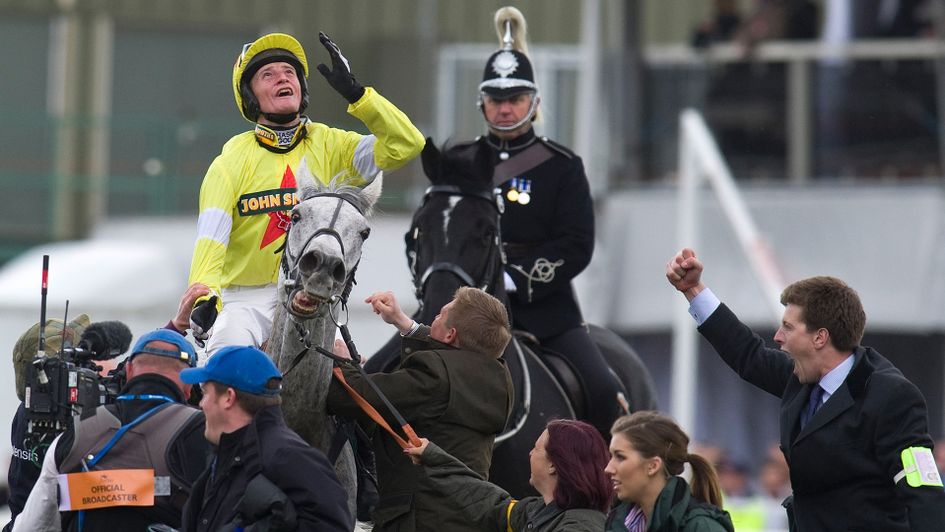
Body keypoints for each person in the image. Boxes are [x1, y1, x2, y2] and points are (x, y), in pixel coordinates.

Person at [437, 5, 623, 436]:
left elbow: (576, 244)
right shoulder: (459, 161)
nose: (505, 109)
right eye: (496, 100)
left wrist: (514, 279)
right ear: (482, 102)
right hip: (463, 303)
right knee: (388, 367)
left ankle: (607, 473)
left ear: (534, 102)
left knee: (602, 390)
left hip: (544, 310)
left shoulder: (562, 165)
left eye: (515, 99)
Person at [666, 247, 945, 531]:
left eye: (788, 327)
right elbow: (747, 354)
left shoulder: (891, 396)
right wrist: (693, 290)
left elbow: (922, 489)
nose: (778, 337)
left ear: (820, 337)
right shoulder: (801, 379)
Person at [188, 31, 424, 355]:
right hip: (244, 303)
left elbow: (407, 144)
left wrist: (357, 94)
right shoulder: (227, 164)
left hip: (314, 293)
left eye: (290, 72)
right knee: (227, 361)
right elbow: (210, 244)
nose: (283, 78)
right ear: (250, 96)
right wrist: (205, 299)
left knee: (346, 368)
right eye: (268, 75)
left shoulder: (334, 144)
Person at [4, 282, 210, 532]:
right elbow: (138, 382)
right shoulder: (83, 422)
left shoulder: (34, 411)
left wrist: (174, 327)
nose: (95, 366)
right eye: (82, 361)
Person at [326, 287, 514, 531]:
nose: (434, 317)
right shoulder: (499, 378)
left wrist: (342, 362)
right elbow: (455, 355)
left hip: (419, 520)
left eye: (440, 315)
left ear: (450, 334)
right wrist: (406, 324)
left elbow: (354, 396)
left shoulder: (435, 378)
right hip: (465, 517)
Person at [180, 345, 351, 531]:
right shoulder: (231, 453)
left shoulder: (290, 457)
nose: (201, 403)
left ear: (228, 397)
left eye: (205, 393)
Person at [405, 419, 611, 531]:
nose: (530, 453)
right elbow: (485, 500)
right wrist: (431, 456)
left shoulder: (579, 527)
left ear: (553, 465)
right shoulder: (539, 511)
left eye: (536, 448)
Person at [605, 411, 734, 532]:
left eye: (620, 457)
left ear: (653, 466)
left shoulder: (702, 527)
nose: (608, 469)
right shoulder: (617, 521)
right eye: (611, 456)